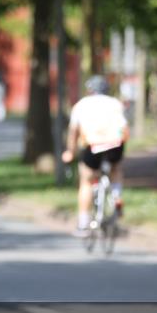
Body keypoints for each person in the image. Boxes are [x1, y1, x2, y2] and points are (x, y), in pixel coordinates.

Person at [62, 75, 130, 237]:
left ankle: (83, 224)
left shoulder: (81, 105)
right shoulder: (115, 103)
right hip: (115, 144)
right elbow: (124, 128)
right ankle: (116, 196)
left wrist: (70, 152)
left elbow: (73, 132)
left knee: (86, 180)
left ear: (89, 90)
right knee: (116, 169)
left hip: (93, 145)